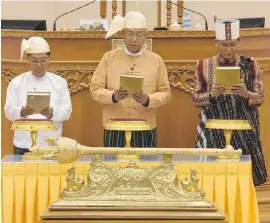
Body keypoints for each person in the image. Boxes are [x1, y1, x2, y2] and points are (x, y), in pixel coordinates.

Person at [193, 19, 267, 186]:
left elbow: (260, 98)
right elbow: (196, 99)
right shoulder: (204, 65)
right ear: (216, 43)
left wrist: (245, 93)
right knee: (214, 178)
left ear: (238, 42)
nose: (228, 49)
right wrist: (212, 94)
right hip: (214, 130)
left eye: (232, 44)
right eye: (224, 45)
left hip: (243, 129)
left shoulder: (250, 64)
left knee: (243, 179)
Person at [90, 11, 171, 148]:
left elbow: (166, 93)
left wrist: (148, 100)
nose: (134, 39)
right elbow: (95, 89)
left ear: (145, 35)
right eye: (130, 34)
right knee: (113, 167)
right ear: (123, 35)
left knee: (146, 167)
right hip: (114, 125)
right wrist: (113, 96)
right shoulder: (109, 58)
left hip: (145, 125)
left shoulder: (156, 60)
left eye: (139, 34)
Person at [4, 36, 72, 155]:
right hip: (23, 143)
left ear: (49, 59)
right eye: (34, 61)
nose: (39, 65)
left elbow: (67, 112)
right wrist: (21, 111)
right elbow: (8, 111)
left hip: (51, 143)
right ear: (28, 60)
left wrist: (52, 112)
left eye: (43, 60)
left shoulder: (60, 83)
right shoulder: (16, 82)